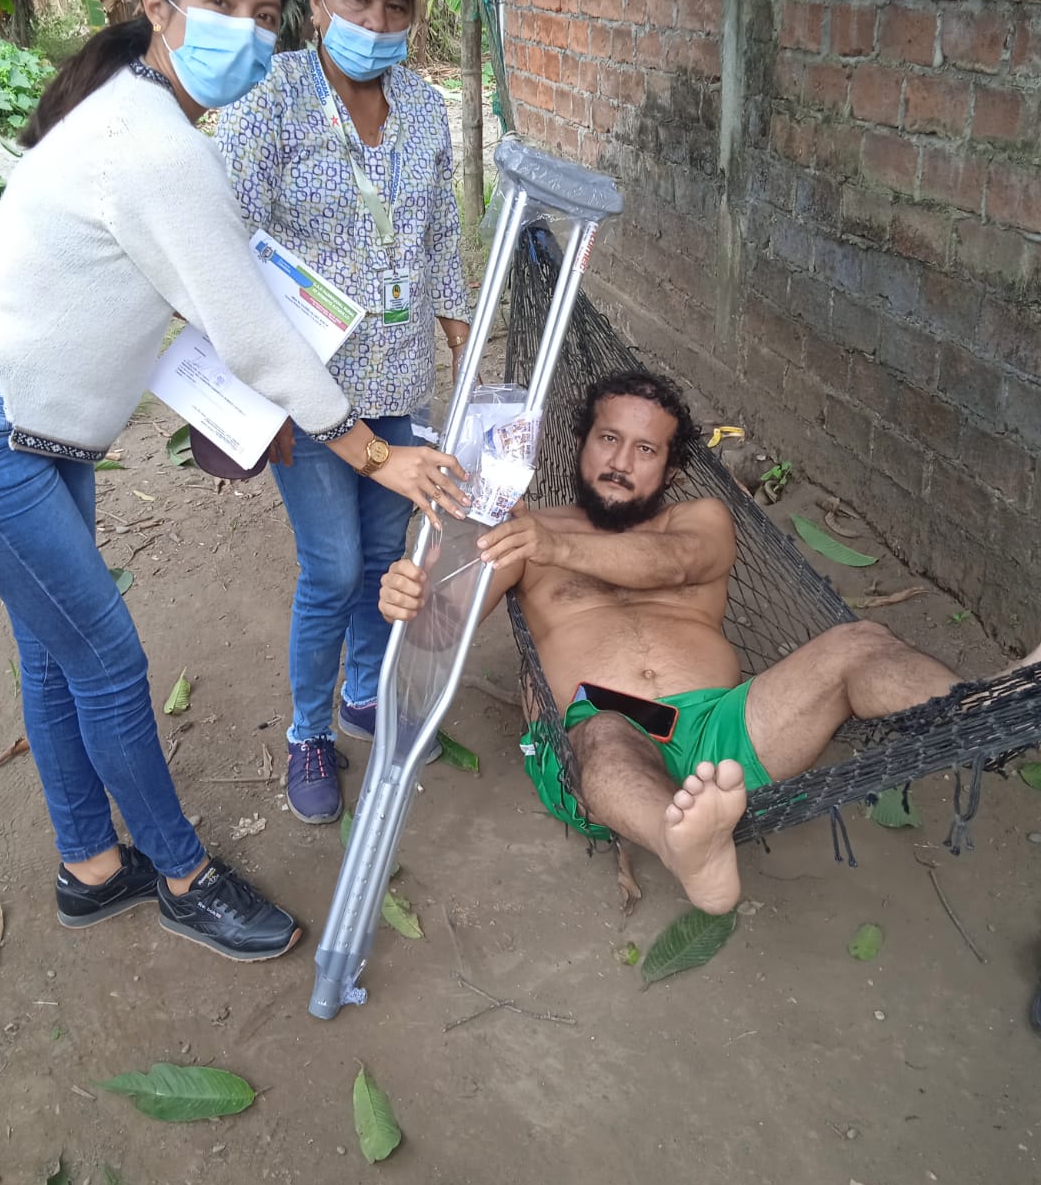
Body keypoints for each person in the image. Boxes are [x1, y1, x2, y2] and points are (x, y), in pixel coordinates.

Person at [0, 0, 466, 966]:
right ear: (156, 6)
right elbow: (251, 334)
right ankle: (186, 878)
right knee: (108, 662)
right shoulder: (156, 146)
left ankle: (89, 867)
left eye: (262, 14)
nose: (245, 31)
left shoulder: (139, 114)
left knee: (56, 655)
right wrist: (377, 453)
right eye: (219, 5)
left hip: (20, 429)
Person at [379, 368, 1041, 915]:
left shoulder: (699, 518)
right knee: (606, 734)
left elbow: (673, 565)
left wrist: (557, 548)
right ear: (581, 445)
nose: (621, 462)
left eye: (646, 450)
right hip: (595, 734)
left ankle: (990, 713)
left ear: (671, 470)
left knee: (858, 643)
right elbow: (442, 632)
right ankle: (685, 846)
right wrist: (413, 602)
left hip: (723, 731)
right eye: (608, 438)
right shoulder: (524, 533)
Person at [217, 0, 471, 825]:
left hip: (400, 378)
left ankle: (367, 692)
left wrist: (460, 336)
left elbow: (441, 232)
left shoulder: (424, 112)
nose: (376, 22)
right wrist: (256, 396)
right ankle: (307, 731)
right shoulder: (268, 100)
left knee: (382, 555)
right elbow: (223, 254)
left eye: (397, 6)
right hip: (310, 394)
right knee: (330, 567)